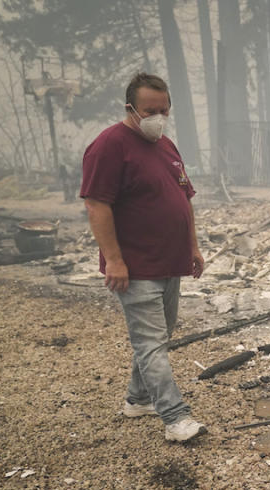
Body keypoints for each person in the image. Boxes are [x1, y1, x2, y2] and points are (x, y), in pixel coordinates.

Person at [80, 72, 206, 443]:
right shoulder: (109, 146)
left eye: (164, 110)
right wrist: (114, 260)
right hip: (135, 267)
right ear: (130, 108)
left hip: (170, 263)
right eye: (151, 110)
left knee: (158, 338)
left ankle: (137, 399)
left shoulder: (166, 146)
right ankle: (176, 418)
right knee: (150, 343)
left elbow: (184, 200)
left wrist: (193, 248)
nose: (159, 117)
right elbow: (97, 205)